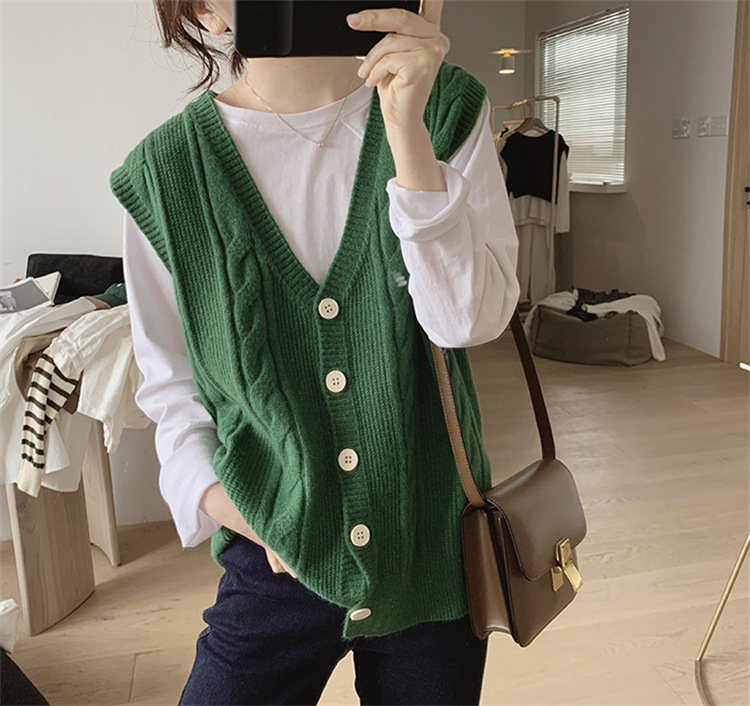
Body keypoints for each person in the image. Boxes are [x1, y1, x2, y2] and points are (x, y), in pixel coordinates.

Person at [110, 0, 519, 703]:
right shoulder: (163, 173)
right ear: (205, 10)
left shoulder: (448, 109)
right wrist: (250, 516)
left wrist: (408, 134)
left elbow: (467, 322)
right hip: (270, 555)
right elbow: (172, 393)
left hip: (431, 551)